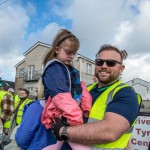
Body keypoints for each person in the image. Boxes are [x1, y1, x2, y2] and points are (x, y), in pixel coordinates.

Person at [52, 44, 141, 150]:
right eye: (99, 62)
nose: (104, 66)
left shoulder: (125, 93)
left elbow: (110, 131)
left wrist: (63, 131)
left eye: (110, 63)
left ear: (121, 69)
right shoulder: (85, 89)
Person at [41, 29, 92, 150]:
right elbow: (61, 97)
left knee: (55, 146)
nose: (71, 56)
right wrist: (77, 121)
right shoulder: (54, 69)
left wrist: (85, 108)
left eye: (74, 53)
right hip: (63, 115)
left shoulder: (67, 69)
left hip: (67, 114)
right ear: (57, 49)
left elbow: (79, 87)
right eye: (68, 52)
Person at [15, 79, 56, 150]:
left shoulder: (36, 107)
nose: (35, 87)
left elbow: (22, 139)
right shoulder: (64, 107)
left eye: (38, 84)